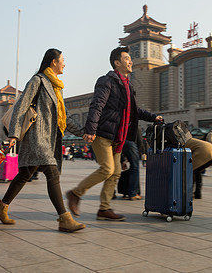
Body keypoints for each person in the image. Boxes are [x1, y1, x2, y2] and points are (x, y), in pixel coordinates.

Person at [0, 48, 85, 233]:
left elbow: (63, 118)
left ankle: (1, 207)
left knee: (25, 174)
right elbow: (20, 107)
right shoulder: (38, 81)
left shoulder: (56, 86)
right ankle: (64, 218)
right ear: (53, 62)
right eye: (62, 60)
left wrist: (83, 132)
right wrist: (13, 134)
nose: (64, 63)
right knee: (52, 172)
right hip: (36, 136)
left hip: (49, 138)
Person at [66, 46, 162, 221]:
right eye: (126, 58)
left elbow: (135, 111)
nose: (130, 61)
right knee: (108, 169)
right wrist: (90, 129)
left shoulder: (128, 86)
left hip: (118, 137)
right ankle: (75, 193)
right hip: (103, 134)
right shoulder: (107, 81)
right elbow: (97, 104)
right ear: (117, 63)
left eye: (130, 58)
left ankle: (104, 209)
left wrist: (154, 117)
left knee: (116, 172)